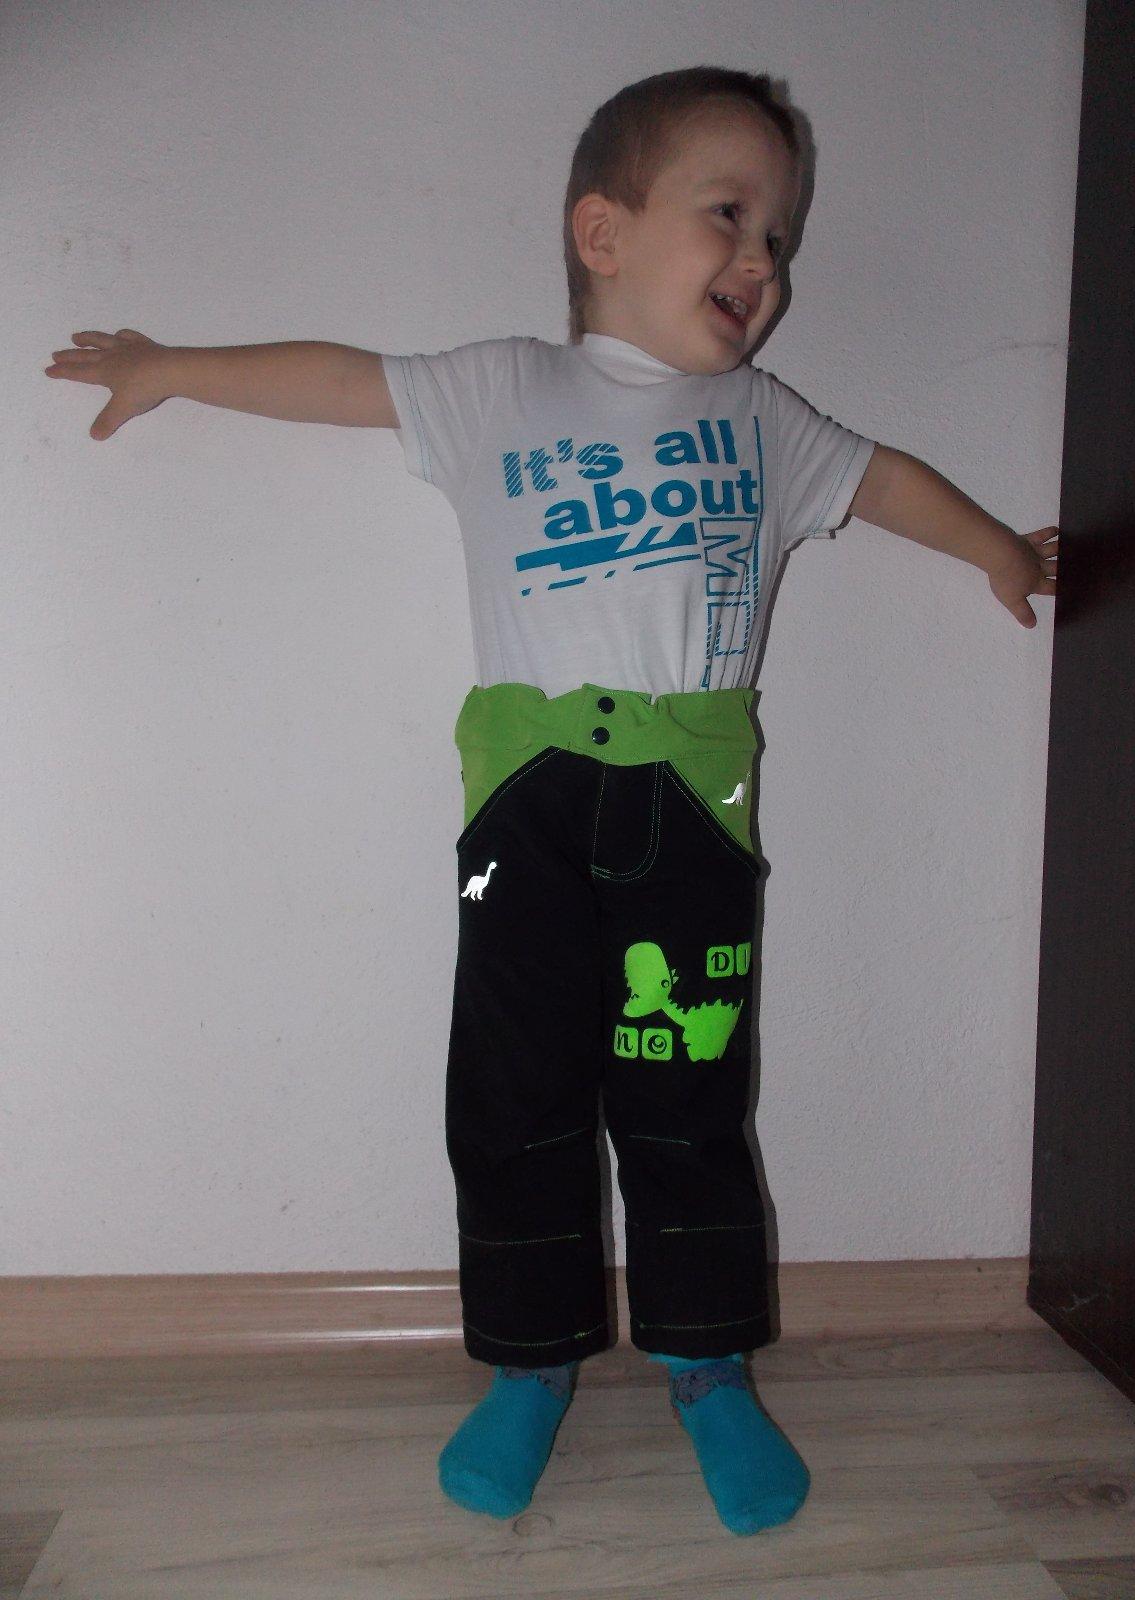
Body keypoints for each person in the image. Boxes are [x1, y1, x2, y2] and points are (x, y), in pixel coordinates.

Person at [44, 64, 1057, 1537]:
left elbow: (889, 482)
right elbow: (342, 379)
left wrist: (996, 551)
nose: (766, 262)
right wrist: (171, 363)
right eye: (732, 215)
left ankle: (708, 1363)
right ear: (603, 232)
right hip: (520, 819)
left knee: (688, 1091)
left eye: (780, 236)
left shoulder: (765, 421)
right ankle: (531, 1361)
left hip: (695, 815)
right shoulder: (503, 388)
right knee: (512, 1092)